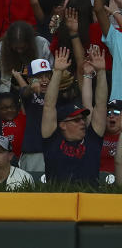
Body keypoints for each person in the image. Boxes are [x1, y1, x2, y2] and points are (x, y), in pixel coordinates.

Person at [41, 47, 107, 185]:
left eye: (83, 119)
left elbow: (101, 105)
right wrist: (58, 72)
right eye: (76, 120)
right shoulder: (52, 140)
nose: (82, 122)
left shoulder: (92, 140)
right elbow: (48, 106)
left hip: (89, 202)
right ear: (62, 124)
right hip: (58, 202)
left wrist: (101, 72)